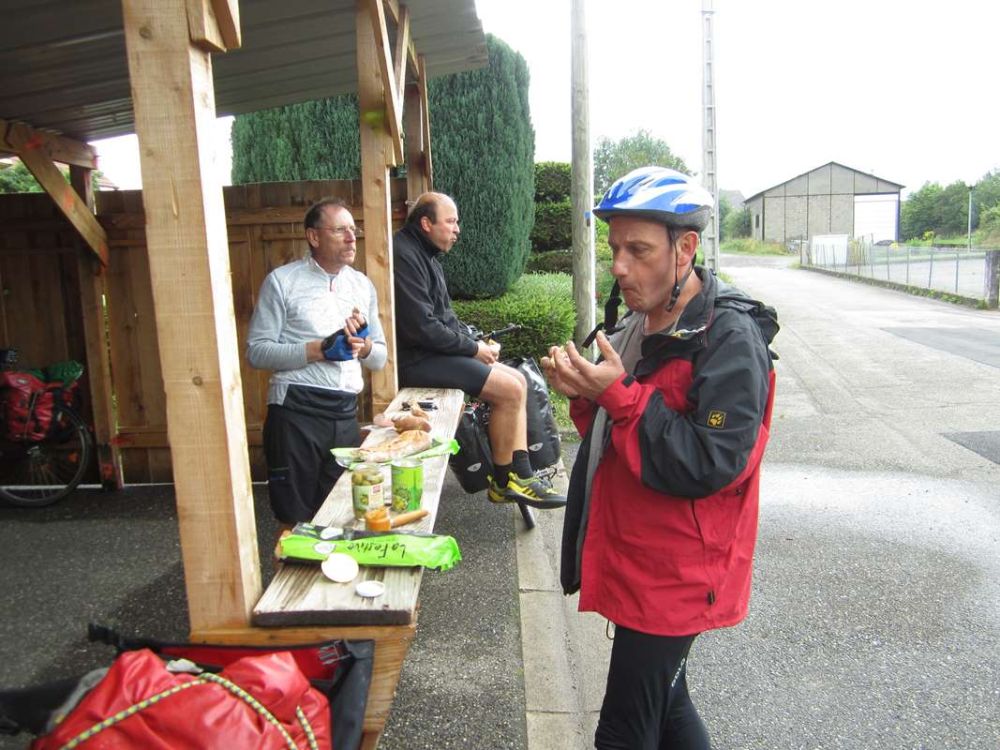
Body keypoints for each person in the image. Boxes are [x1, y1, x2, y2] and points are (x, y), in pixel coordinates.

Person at [541, 167, 779, 749]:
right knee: (669, 709)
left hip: (676, 575)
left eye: (638, 250)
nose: (620, 267)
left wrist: (620, 396)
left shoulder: (729, 338)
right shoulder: (636, 323)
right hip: (636, 558)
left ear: (685, 248)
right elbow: (614, 441)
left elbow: (710, 461)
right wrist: (586, 396)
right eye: (615, 249)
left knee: (622, 734)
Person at [392, 192, 565, 510]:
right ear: (426, 223)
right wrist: (472, 349)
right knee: (509, 390)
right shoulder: (403, 255)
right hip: (415, 360)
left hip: (432, 354)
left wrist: (475, 340)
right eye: (451, 221)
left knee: (518, 380)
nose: (457, 229)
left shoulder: (426, 255)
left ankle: (518, 476)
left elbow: (444, 319)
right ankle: (506, 480)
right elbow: (421, 328)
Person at [247, 197, 387, 526]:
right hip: (295, 411)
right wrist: (320, 350)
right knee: (294, 521)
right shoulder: (282, 281)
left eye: (353, 230)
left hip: (344, 414)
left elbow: (380, 358)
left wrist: (363, 345)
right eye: (340, 230)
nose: (351, 238)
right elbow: (257, 351)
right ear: (313, 236)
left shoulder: (362, 285)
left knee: (340, 516)